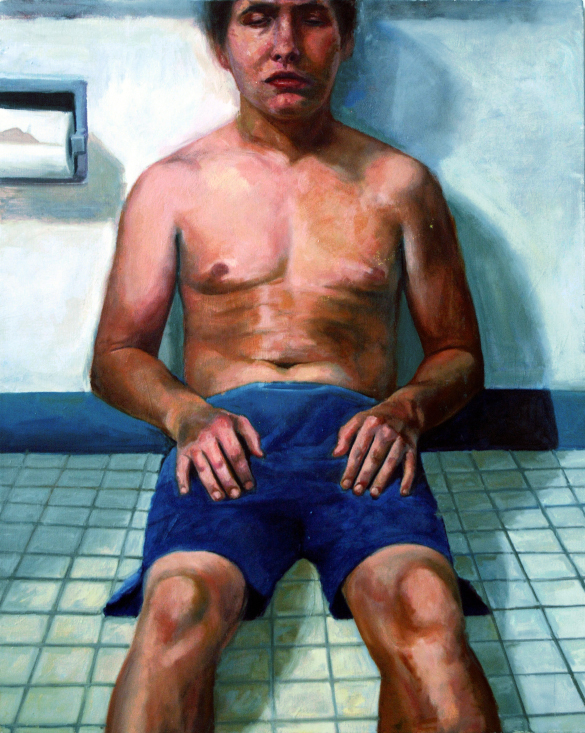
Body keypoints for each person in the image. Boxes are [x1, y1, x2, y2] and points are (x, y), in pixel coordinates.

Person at [91, 0, 501, 730]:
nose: (285, 44)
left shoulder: (399, 184)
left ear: (343, 38)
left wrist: (407, 408)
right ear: (221, 44)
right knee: (178, 608)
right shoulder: (171, 186)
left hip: (362, 446)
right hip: (222, 444)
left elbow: (458, 353)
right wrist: (185, 414)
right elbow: (116, 355)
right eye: (257, 18)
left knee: (424, 608)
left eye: (311, 17)